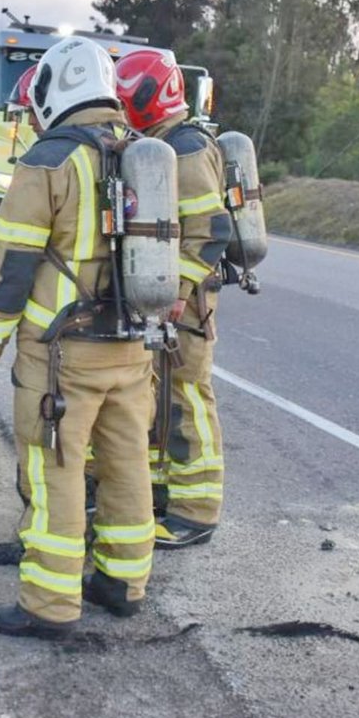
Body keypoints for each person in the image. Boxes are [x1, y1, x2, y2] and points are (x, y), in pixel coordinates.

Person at [0, 36, 157, 639]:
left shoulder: (49, 161)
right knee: (126, 465)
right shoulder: (138, 155)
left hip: (61, 356)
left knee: (56, 469)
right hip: (131, 347)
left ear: (54, 90)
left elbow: (10, 264)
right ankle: (123, 583)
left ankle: (49, 605)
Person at [114, 49, 232, 549]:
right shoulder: (161, 144)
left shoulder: (184, 147)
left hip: (185, 302)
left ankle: (197, 511)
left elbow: (210, 229)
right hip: (167, 298)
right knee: (161, 401)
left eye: (128, 101)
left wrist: (178, 291)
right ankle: (164, 492)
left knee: (188, 398)